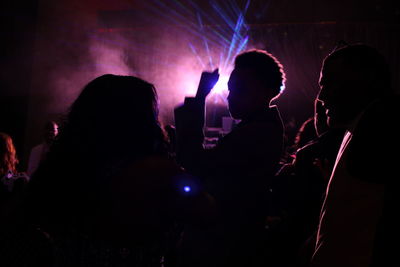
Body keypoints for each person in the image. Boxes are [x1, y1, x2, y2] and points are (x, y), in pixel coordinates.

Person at [21, 74, 214, 267]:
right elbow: (208, 213)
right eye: (153, 114)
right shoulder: (158, 171)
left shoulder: (62, 166)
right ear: (142, 120)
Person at [174, 49, 286, 267]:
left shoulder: (257, 132)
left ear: (269, 91)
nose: (231, 96)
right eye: (230, 88)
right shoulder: (260, 127)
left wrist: (199, 98)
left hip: (225, 242)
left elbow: (194, 162)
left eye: (240, 89)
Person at [311, 44, 399, 267]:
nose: (321, 96)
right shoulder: (362, 125)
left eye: (329, 83)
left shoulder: (379, 125)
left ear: (363, 81)